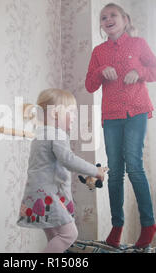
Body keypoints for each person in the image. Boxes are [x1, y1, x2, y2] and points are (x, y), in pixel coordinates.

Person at [85, 3, 156, 248]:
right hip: (111, 116)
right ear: (101, 24)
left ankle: (148, 224)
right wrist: (100, 70)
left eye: (113, 15)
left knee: (134, 165)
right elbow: (89, 85)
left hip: (137, 111)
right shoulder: (99, 51)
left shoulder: (138, 44)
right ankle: (117, 226)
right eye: (103, 17)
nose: (108, 19)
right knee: (115, 172)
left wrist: (138, 71)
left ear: (125, 19)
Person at [17, 88, 108, 253]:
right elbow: (68, 160)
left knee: (54, 238)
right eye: (72, 112)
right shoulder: (56, 134)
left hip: (37, 193)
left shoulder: (41, 134)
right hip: (47, 195)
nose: (74, 117)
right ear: (56, 114)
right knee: (69, 234)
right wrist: (95, 171)